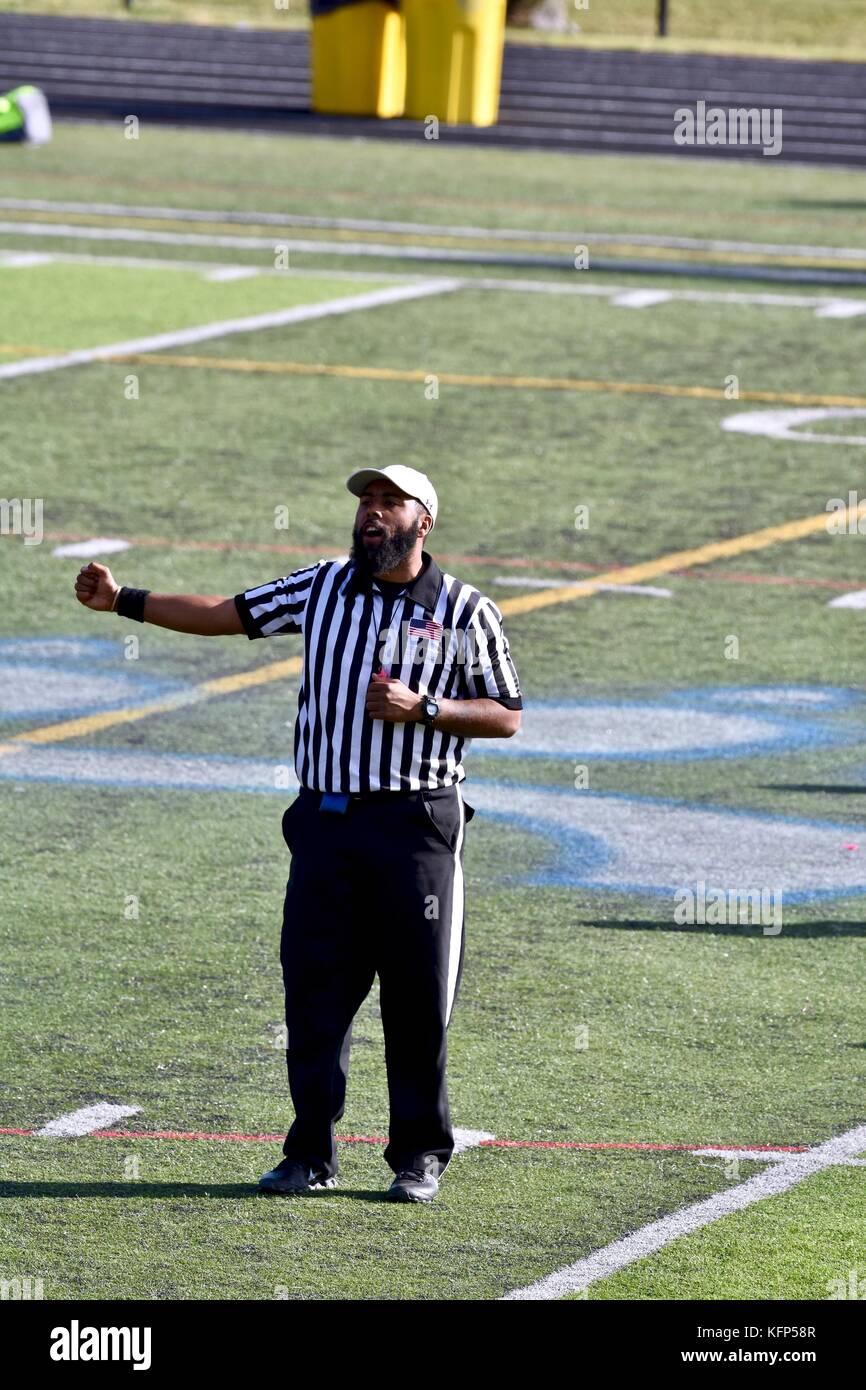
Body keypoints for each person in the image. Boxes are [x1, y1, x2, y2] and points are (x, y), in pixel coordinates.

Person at [74, 465, 523, 1203]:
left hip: (417, 829)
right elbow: (227, 613)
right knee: (314, 995)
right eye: (366, 503)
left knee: (417, 1000)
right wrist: (125, 600)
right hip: (326, 824)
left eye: (390, 503)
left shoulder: (466, 610)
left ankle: (419, 1155)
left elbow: (506, 712)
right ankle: (308, 1152)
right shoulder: (322, 586)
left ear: (424, 522)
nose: (372, 515)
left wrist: (425, 708)